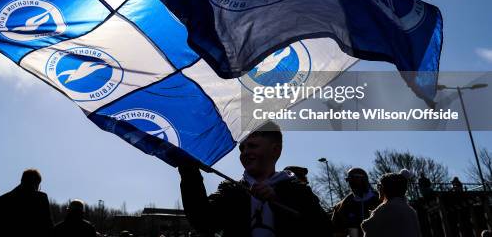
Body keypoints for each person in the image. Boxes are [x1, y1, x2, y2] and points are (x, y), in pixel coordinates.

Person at [178, 121, 332, 236]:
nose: (244, 152)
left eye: (252, 146)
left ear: (275, 150)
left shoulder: (299, 192)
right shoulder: (231, 190)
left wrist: (279, 200)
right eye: (242, 148)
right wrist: (189, 171)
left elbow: (324, 230)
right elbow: (202, 221)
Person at [0, 169, 54, 237]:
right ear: (36, 184)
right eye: (38, 186)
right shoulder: (41, 198)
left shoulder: (1, 200)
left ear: (22, 181)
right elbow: (48, 224)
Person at [361, 173, 421, 237]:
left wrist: (371, 216)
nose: (377, 189)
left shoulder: (385, 209)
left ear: (385, 188)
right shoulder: (410, 211)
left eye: (379, 186)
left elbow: (369, 229)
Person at [331, 168, 380, 237]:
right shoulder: (342, 206)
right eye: (349, 180)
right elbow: (337, 231)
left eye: (355, 179)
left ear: (364, 180)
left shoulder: (381, 199)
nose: (351, 184)